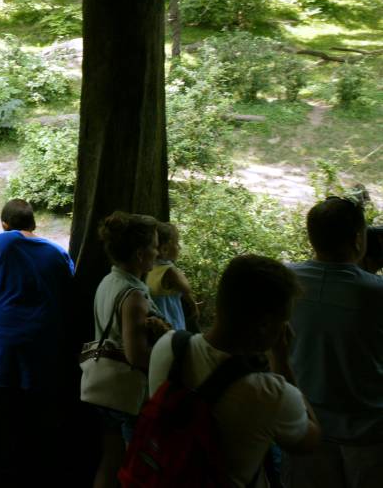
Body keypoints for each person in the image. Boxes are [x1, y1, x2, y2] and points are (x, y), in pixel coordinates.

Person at [148, 255, 321, 487]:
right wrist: (282, 361)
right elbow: (311, 440)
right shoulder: (269, 393)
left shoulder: (168, 347)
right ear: (265, 325)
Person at [0, 199, 75, 486]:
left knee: (7, 429)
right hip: (45, 351)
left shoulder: (1, 242)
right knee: (41, 428)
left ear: (5, 224)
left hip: (3, 351)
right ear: (34, 223)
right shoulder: (59, 253)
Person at [286, 196, 383, 487]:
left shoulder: (285, 280)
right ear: (357, 239)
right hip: (369, 431)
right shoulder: (375, 292)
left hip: (303, 424)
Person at [90, 211, 169, 488]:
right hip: (128, 396)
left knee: (111, 461)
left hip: (106, 391)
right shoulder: (134, 295)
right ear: (139, 254)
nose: (158, 251)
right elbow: (136, 355)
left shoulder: (109, 281)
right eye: (155, 245)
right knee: (134, 469)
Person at [146, 221, 199, 332]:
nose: (179, 247)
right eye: (176, 243)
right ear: (165, 249)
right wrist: (194, 307)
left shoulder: (147, 268)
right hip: (171, 320)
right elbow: (186, 288)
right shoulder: (170, 272)